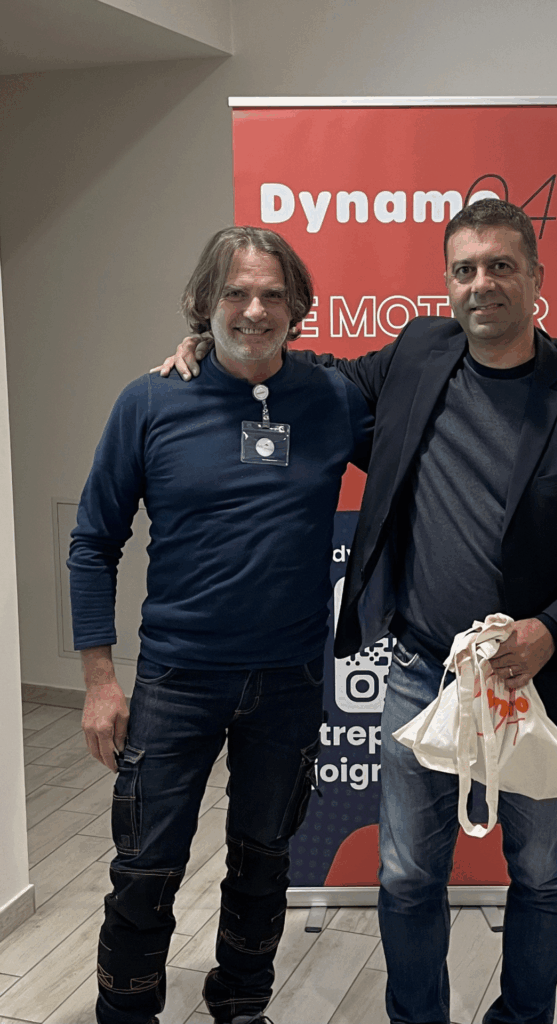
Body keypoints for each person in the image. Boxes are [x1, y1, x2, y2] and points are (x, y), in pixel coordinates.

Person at [164, 200, 557, 1024]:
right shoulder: (418, 353)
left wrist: (555, 628)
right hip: (420, 672)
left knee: (541, 873)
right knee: (405, 876)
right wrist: (215, 349)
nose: (482, 284)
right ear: (447, 284)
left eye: (501, 265)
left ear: (535, 277)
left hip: (540, 685)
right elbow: (313, 372)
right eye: (465, 269)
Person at [69, 226, 373, 1024]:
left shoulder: (334, 399)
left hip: (290, 679)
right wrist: (99, 682)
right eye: (235, 293)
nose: (254, 310)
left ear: (298, 307)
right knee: (145, 868)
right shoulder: (148, 402)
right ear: (204, 302)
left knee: (264, 863)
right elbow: (93, 543)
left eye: (273, 295)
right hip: (177, 678)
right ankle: (126, 1013)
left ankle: (240, 1003)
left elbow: (417, 450)